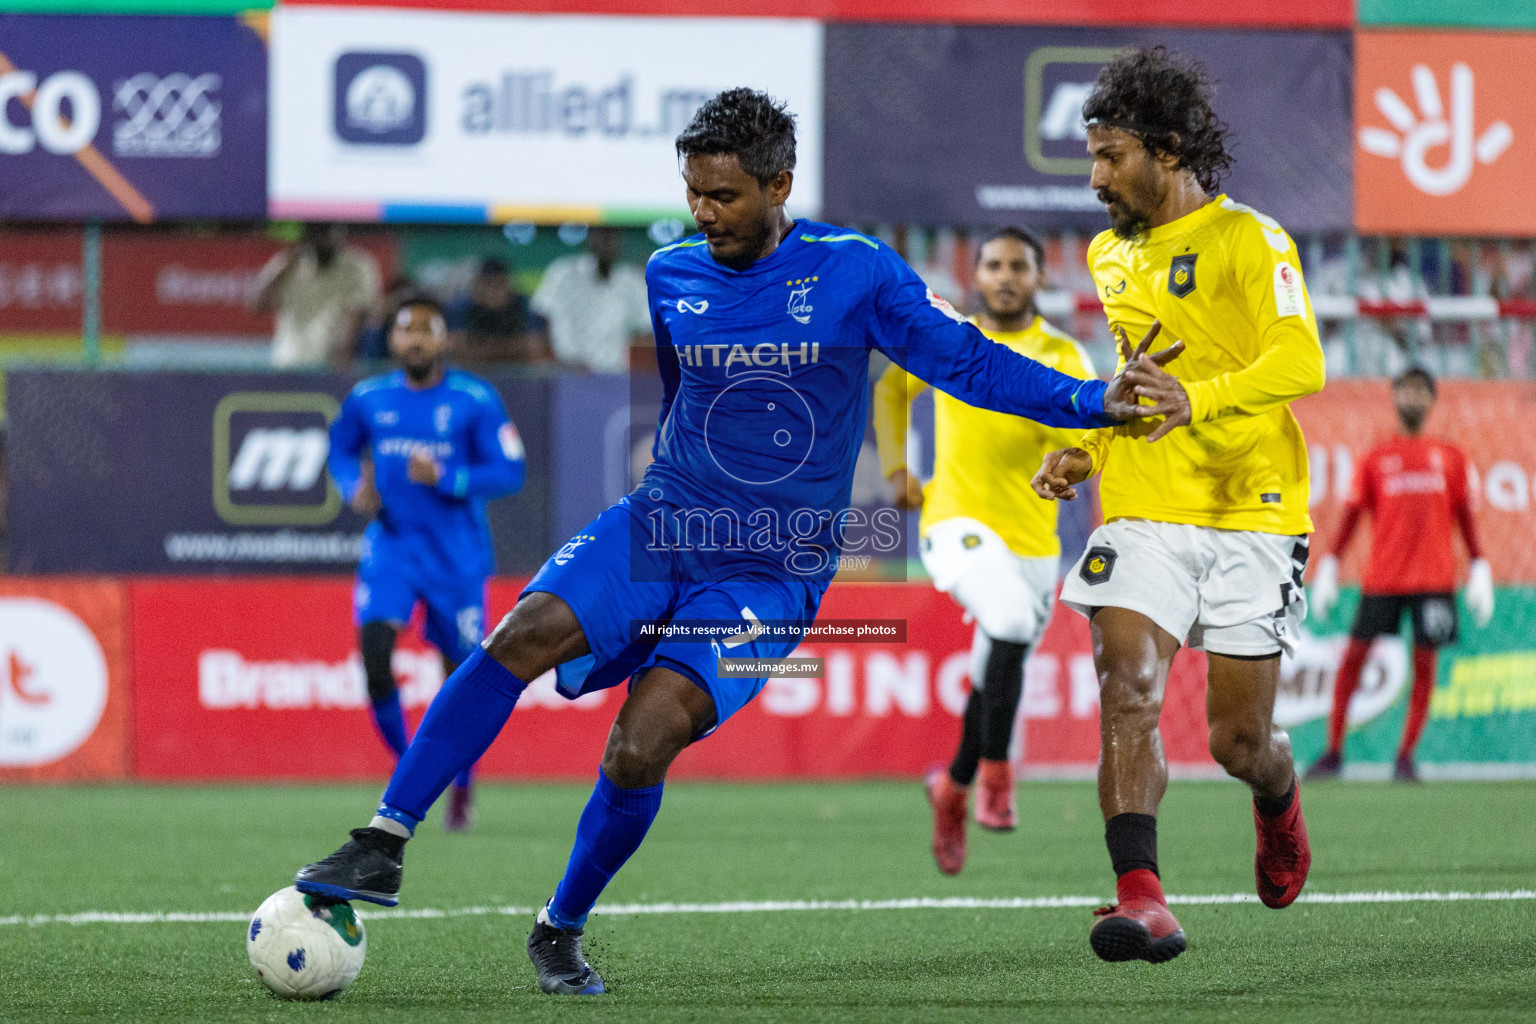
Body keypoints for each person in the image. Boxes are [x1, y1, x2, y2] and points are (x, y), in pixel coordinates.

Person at [293, 87, 1181, 996]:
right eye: (694, 193)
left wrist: (1088, 399)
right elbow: (683, 397)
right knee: (519, 635)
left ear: (779, 184)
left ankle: (560, 926)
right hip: (668, 519)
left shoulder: (857, 271)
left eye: (723, 196)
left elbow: (967, 361)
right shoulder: (672, 275)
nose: (702, 213)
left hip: (775, 566)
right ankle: (382, 843)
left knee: (640, 744)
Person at [1031, 47, 1326, 964]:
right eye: (1091, 156)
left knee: (1239, 741)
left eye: (1110, 155)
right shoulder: (1108, 254)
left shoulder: (1251, 239)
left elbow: (1302, 361)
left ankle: (1276, 799)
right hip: (1146, 503)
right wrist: (1089, 445)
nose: (1095, 177)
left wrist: (1198, 401)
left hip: (1253, 506)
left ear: (1166, 149)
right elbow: (1144, 379)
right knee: (1128, 687)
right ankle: (1142, 897)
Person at [872, 227, 1096, 874]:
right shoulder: (950, 342)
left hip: (1033, 542)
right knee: (1003, 624)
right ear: (976, 276)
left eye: (1017, 266)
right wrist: (895, 470)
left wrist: (1068, 461)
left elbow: (1083, 431)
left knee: (994, 668)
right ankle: (998, 772)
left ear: (1038, 277)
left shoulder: (1063, 353)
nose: (1004, 276)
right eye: (993, 265)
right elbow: (889, 390)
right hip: (955, 522)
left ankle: (952, 788)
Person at [326, 294, 527, 831]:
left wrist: (450, 478)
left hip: (455, 556)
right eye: (404, 330)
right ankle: (411, 770)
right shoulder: (369, 399)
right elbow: (341, 448)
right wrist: (353, 488)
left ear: (444, 340)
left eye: (426, 330)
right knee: (373, 658)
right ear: (391, 340)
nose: (414, 339)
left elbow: (510, 470)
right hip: (391, 546)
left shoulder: (473, 399)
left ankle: (460, 784)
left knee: (461, 679)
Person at [1305, 367, 1491, 783]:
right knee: (1352, 659)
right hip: (1383, 580)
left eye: (1420, 391)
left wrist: (1479, 564)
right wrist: (1331, 564)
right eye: (1404, 390)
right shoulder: (1375, 457)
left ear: (1431, 399)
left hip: (1435, 582)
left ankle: (1405, 756)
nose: (1412, 397)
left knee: (1425, 666)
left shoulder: (1451, 457)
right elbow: (1352, 516)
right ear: (1393, 396)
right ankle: (1334, 751)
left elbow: (1465, 517)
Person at [251, 223, 380, 370]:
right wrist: (280, 268)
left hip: (330, 365)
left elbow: (357, 314)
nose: (324, 237)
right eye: (317, 230)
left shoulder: (357, 265)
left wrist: (343, 361)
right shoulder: (288, 262)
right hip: (288, 362)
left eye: (330, 230)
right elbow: (256, 304)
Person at [530, 226, 651, 373]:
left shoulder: (630, 279)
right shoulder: (563, 272)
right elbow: (538, 319)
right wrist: (549, 363)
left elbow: (649, 329)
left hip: (613, 376)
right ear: (589, 238)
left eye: (611, 237)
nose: (606, 243)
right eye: (600, 236)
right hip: (565, 372)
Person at [446, 257, 550, 364]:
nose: (492, 291)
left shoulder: (525, 304)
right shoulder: (461, 307)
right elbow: (457, 350)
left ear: (508, 285)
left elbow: (536, 348)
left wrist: (481, 347)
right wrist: (513, 348)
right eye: (488, 284)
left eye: (499, 285)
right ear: (477, 285)